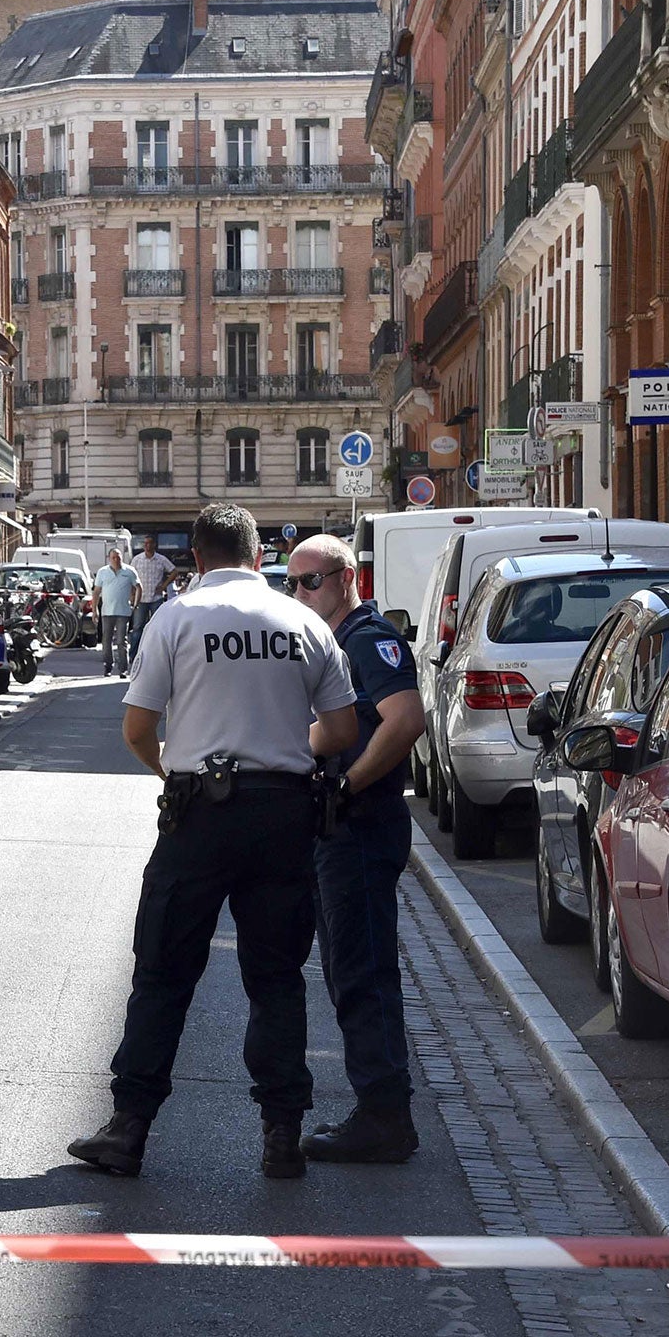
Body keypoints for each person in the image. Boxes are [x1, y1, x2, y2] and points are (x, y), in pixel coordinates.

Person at [68, 504, 358, 1180]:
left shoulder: (176, 619)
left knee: (163, 971)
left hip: (200, 813)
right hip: (285, 813)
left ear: (195, 558)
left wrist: (175, 769)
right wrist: (285, 754)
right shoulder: (305, 623)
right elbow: (342, 730)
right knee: (277, 978)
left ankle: (129, 1130)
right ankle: (282, 1132)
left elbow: (139, 728)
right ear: (260, 558)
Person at [287, 534, 425, 1163]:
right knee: (347, 973)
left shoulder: (369, 639)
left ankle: (384, 1117)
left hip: (362, 826)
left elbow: (405, 720)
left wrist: (347, 784)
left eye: (311, 581)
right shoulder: (332, 643)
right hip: (338, 827)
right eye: (293, 583)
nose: (300, 593)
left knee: (363, 972)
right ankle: (378, 1106)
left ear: (346, 579)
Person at [126, 534, 177, 660]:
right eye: (145, 543)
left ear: (154, 545)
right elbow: (131, 578)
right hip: (141, 599)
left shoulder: (161, 559)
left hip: (156, 598)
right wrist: (132, 594)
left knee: (157, 627)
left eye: (150, 543)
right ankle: (133, 655)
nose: (147, 546)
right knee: (137, 627)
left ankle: (156, 656)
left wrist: (164, 585)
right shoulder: (137, 560)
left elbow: (174, 571)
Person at [93, 547, 138, 676]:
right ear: (109, 559)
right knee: (106, 640)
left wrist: (135, 604)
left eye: (118, 557)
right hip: (107, 612)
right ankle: (108, 666)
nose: (116, 560)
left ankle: (123, 668)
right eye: (113, 557)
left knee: (121, 641)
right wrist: (94, 609)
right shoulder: (103, 572)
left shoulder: (129, 571)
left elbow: (138, 587)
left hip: (123, 612)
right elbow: (96, 592)